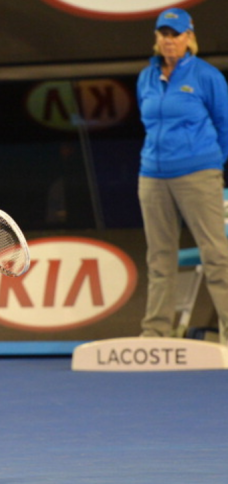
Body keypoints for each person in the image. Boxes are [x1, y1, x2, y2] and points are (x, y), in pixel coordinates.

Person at [136, 7, 228, 343]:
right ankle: (156, 334)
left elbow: (225, 125)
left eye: (176, 34)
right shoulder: (146, 77)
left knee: (217, 255)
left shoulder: (206, 76)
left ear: (189, 37)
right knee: (159, 258)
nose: (169, 40)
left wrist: (211, 163)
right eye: (164, 34)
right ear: (157, 38)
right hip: (152, 176)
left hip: (198, 173)